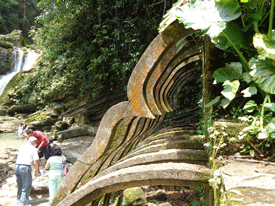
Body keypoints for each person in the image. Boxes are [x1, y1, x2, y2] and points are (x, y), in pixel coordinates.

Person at [15, 136, 39, 206]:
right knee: (26, 186)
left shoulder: (22, 146)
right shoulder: (34, 149)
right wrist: (37, 171)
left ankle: (19, 199)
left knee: (20, 184)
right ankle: (23, 203)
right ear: (34, 143)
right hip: (25, 167)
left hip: (17, 166)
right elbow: (36, 161)